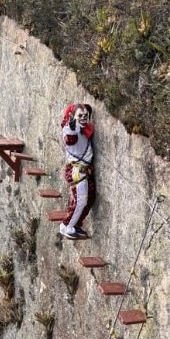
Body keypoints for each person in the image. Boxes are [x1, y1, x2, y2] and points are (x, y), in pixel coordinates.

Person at [58, 103, 95, 240]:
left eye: (85, 115)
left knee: (90, 197)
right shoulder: (71, 129)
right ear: (73, 117)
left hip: (85, 170)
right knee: (81, 201)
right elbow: (70, 138)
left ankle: (76, 223)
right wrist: (72, 128)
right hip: (78, 171)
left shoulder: (83, 129)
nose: (84, 118)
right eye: (80, 115)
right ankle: (67, 226)